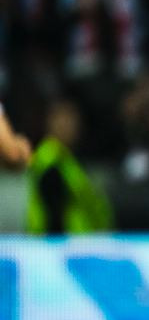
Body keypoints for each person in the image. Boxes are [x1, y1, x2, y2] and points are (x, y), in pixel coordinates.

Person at [26, 98, 113, 234]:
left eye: (72, 120)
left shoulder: (69, 159)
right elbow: (53, 212)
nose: (68, 126)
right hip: (59, 241)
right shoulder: (49, 160)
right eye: (62, 120)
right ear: (49, 123)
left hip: (84, 240)